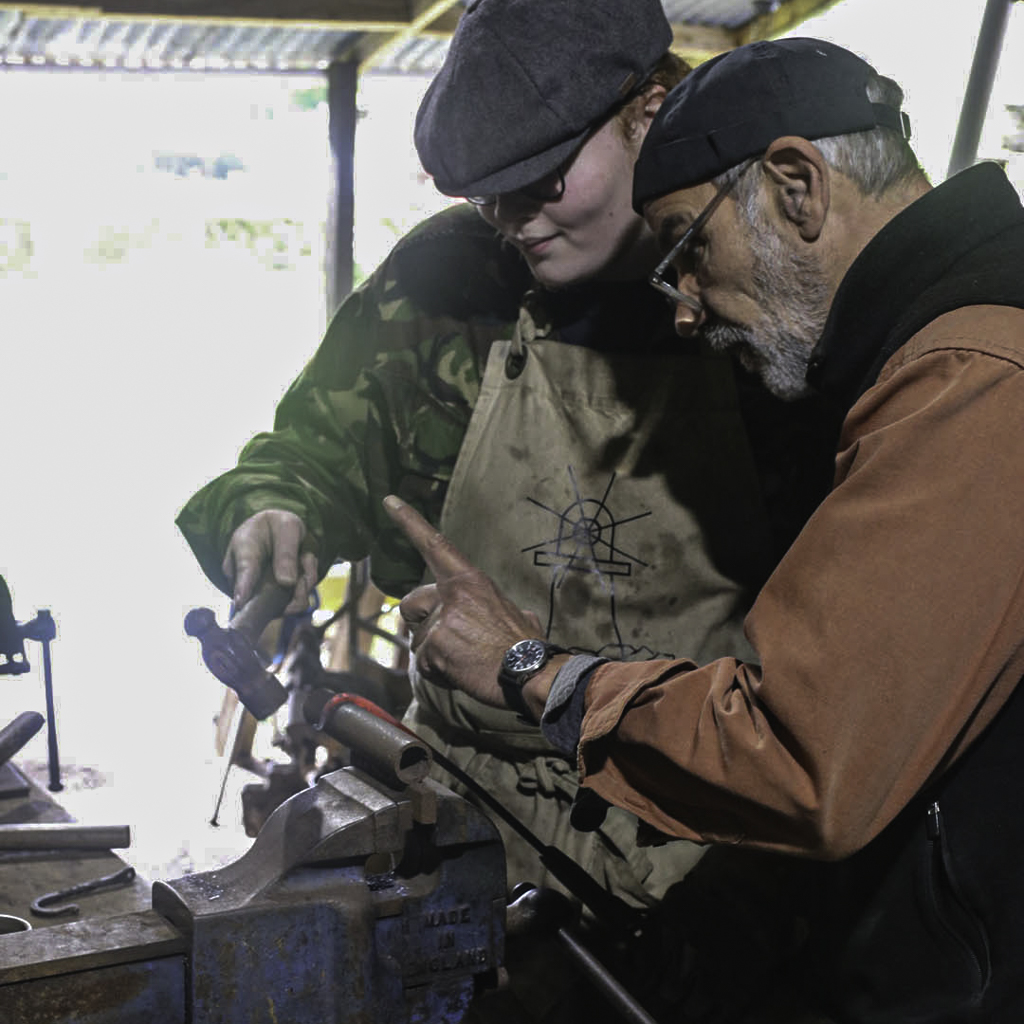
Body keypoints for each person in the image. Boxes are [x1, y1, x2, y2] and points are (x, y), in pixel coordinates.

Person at [177, 5, 834, 1017]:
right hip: (453, 827)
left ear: (646, 110)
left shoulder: (771, 297)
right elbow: (314, 452)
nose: (512, 217)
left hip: (700, 862)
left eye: (541, 179)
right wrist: (274, 511)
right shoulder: (446, 280)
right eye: (488, 194)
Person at [385, 36, 1024, 1022]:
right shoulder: (944, 350)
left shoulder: (972, 379)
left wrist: (530, 669)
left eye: (690, 250)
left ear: (795, 186)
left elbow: (801, 758)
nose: (683, 311)